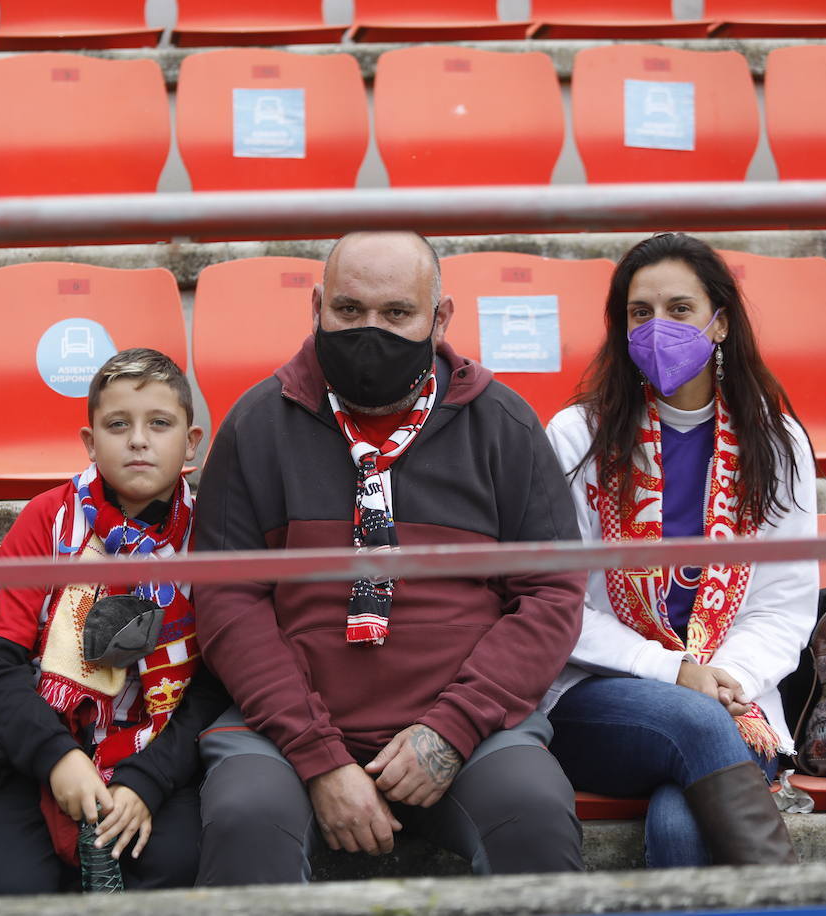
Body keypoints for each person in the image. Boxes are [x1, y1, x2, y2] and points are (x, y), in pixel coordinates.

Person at [192, 231, 589, 883]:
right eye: (348, 311)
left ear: (441, 319)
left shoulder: (503, 425)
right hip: (286, 731)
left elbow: (550, 594)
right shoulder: (257, 424)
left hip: (471, 730)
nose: (369, 331)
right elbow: (228, 602)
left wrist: (452, 729)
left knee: (533, 813)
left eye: (397, 313)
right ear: (317, 306)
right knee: (245, 819)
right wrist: (318, 756)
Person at [543, 232, 815, 867]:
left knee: (682, 821)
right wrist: (675, 673)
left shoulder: (776, 444)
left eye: (680, 309)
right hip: (600, 695)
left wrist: (729, 679)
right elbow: (559, 603)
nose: (657, 327)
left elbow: (784, 606)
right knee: (695, 726)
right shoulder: (576, 435)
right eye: (641, 312)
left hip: (733, 694)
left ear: (720, 323)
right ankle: (784, 892)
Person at [0, 348, 228, 894]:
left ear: (192, 443)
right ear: (89, 442)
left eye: (159, 423)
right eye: (117, 424)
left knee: (175, 864)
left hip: (156, 753)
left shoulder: (209, 537)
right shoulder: (48, 522)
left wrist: (148, 781)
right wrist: (56, 758)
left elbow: (215, 680)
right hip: (38, 751)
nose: (138, 439)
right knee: (16, 887)